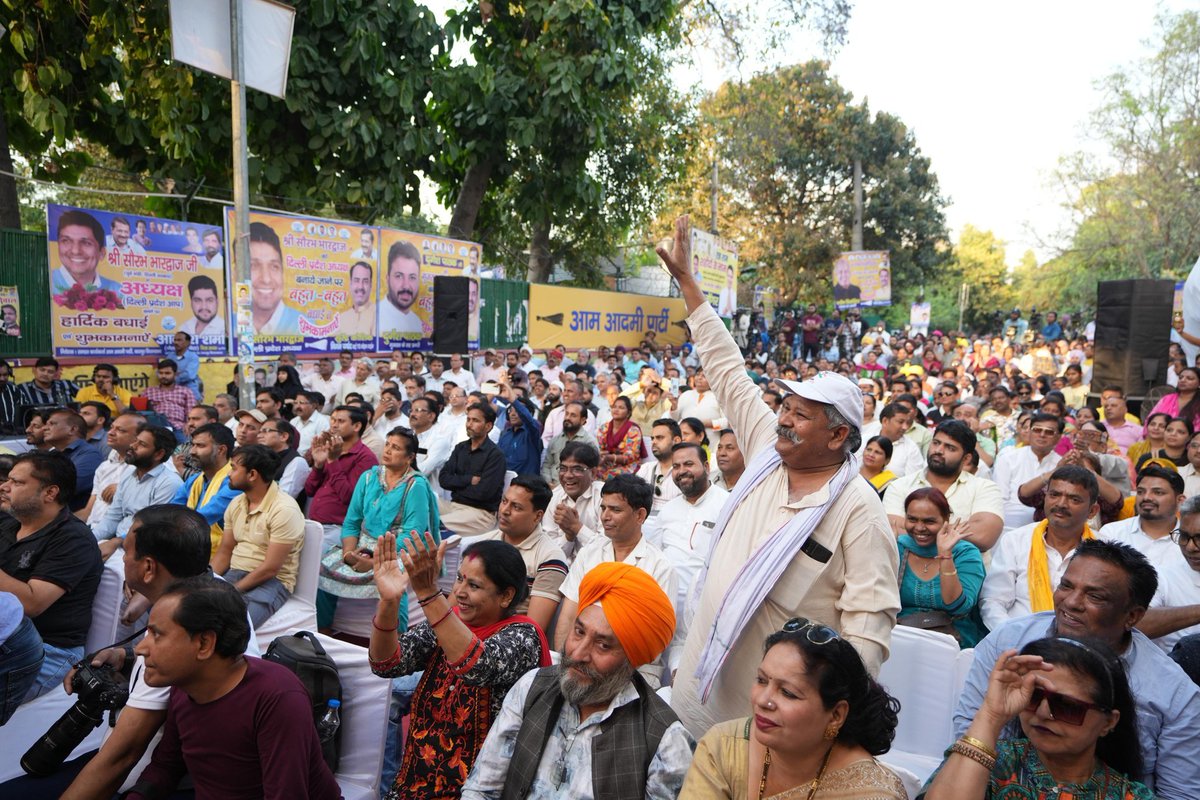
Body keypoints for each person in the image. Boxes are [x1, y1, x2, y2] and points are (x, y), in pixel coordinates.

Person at [656, 216, 899, 738]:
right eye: (785, 406)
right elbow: (725, 368)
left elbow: (868, 627)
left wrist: (836, 720)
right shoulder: (768, 446)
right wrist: (688, 284)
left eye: (801, 414)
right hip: (698, 684)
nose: (784, 418)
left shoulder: (859, 510)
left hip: (773, 720)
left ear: (838, 437)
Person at [955, 539, 1200, 799]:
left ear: (1132, 616)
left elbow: (1179, 794)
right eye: (1066, 585)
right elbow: (967, 736)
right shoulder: (1007, 644)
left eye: (1095, 596)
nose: (1071, 602)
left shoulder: (1176, 694)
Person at [56, 505, 261, 799]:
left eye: (126, 551)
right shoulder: (209, 594)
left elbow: (121, 757)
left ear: (149, 568)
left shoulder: (188, 626)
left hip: (154, 783)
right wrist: (125, 656)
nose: (123, 559)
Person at [461, 562, 692, 800]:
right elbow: (481, 790)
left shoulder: (666, 741)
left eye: (603, 645)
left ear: (632, 658)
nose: (578, 654)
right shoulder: (532, 687)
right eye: (579, 632)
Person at [369, 533, 551, 800]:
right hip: (413, 786)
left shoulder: (523, 636)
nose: (459, 592)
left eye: (474, 586)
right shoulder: (449, 620)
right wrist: (389, 601)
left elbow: (476, 665)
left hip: (476, 792)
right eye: (459, 578)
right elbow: (387, 664)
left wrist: (429, 594)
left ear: (506, 596)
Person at [124, 577, 340, 800]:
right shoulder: (184, 686)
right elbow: (165, 767)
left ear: (204, 644)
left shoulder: (278, 697)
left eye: (157, 635)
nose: (141, 648)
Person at [681, 619, 906, 800]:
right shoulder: (724, 747)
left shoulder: (870, 792)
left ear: (836, 715)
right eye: (761, 680)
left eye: (787, 693)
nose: (763, 700)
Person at [925, 637, 1154, 800]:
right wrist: (991, 714)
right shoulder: (992, 763)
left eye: (1067, 706)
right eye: (1033, 697)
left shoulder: (1129, 795)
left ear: (1108, 722)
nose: (1043, 713)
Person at [553, 474, 678, 687]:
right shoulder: (589, 554)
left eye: (615, 510)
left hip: (632, 674)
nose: (605, 517)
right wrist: (563, 664)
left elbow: (653, 640)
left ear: (640, 515)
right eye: (603, 508)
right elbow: (568, 617)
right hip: (579, 663)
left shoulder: (659, 567)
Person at [0, 452, 102, 699]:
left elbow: (32, 603)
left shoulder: (72, 539)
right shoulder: (9, 525)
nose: (4, 486)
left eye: (17, 482)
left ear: (50, 493)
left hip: (46, 650)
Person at [317, 426, 439, 632]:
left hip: (399, 547)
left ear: (409, 457)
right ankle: (324, 630)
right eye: (388, 445)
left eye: (396, 448)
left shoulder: (414, 485)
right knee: (324, 567)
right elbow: (352, 521)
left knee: (393, 582)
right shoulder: (369, 477)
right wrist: (348, 553)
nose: (388, 450)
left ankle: (397, 641)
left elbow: (412, 534)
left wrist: (375, 562)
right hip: (365, 542)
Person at [981, 466, 1099, 631]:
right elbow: (993, 602)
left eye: (1074, 499)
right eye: (1054, 495)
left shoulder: (1104, 550)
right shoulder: (1015, 541)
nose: (1061, 504)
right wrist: (1013, 637)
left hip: (1079, 645)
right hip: (1018, 643)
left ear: (1092, 511)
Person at [211, 445, 305, 626]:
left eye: (234, 468)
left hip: (273, 582)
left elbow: (270, 568)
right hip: (235, 573)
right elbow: (225, 552)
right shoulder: (236, 504)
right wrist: (207, 581)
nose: (228, 474)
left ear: (252, 475)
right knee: (193, 610)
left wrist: (231, 591)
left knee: (232, 628)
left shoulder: (284, 509)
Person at [882, 419, 1005, 551]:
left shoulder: (985, 488)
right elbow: (892, 529)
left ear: (966, 459)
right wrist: (954, 532)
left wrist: (918, 531)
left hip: (962, 569)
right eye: (936, 443)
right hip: (907, 569)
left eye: (950, 448)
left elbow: (983, 536)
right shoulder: (900, 486)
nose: (939, 450)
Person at [658, 442, 729, 663]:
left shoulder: (726, 504)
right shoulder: (667, 510)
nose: (681, 471)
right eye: (676, 466)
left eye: (689, 464)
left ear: (707, 467)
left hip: (704, 611)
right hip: (664, 606)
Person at [475, 476, 568, 633]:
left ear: (537, 516)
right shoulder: (483, 544)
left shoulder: (550, 557)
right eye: (504, 501)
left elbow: (531, 631)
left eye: (516, 507)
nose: (504, 511)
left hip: (508, 640)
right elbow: (455, 605)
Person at [897, 487, 986, 646]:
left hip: (951, 637)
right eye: (912, 519)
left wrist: (945, 554)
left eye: (929, 521)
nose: (919, 528)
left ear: (946, 520)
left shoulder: (966, 554)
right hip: (900, 633)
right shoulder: (898, 548)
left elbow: (958, 607)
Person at [92, 426, 183, 559]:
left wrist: (116, 542)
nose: (133, 446)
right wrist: (90, 539)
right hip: (117, 543)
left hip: (142, 550)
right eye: (135, 441)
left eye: (142, 444)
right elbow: (113, 516)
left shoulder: (169, 483)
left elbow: (151, 527)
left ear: (159, 454)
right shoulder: (129, 473)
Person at [305, 405, 379, 549]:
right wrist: (318, 465)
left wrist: (333, 461)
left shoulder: (365, 457)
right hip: (313, 524)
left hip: (338, 529)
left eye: (340, 421)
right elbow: (309, 490)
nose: (334, 425)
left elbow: (349, 497)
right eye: (332, 420)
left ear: (357, 426)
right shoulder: (330, 448)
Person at [170, 423, 240, 558]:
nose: (192, 451)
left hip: (222, 559)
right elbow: (172, 511)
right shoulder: (194, 480)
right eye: (193, 445)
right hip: (192, 551)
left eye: (200, 446)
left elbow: (202, 518)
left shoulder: (234, 482)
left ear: (221, 450)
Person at [1098, 464, 1185, 571]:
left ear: (1180, 500)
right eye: (1140, 492)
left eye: (1158, 492)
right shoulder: (1113, 533)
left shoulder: (1191, 539)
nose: (1146, 497)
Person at [439, 402, 507, 536]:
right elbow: (443, 479)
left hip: (480, 514)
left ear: (488, 426)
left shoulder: (495, 455)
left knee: (434, 523)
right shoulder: (460, 448)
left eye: (475, 420)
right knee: (422, 507)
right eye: (468, 419)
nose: (469, 424)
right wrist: (469, 480)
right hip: (454, 506)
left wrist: (456, 486)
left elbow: (483, 494)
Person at [993, 411, 1064, 531]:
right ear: (1030, 432)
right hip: (1007, 525)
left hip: (1048, 528)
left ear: (1058, 438)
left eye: (1049, 432)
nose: (1042, 435)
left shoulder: (1061, 464)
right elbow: (998, 499)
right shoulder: (1008, 458)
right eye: (1037, 430)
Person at [542, 441, 604, 560]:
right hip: (563, 571)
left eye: (577, 469)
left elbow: (607, 550)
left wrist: (576, 527)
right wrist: (569, 536)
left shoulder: (604, 498)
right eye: (563, 468)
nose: (568, 475)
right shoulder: (555, 497)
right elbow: (551, 554)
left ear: (594, 473)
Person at [80, 410, 142, 526]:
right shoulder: (104, 467)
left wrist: (124, 490)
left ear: (139, 438)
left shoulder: (147, 466)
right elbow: (88, 512)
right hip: (92, 530)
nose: (111, 433)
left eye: (121, 430)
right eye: (112, 427)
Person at [51, 209, 125, 300]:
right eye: (66, 241)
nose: (75, 251)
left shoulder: (117, 290)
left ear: (101, 253)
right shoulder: (48, 283)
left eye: (86, 243)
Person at [248, 221, 304, 334]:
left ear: (283, 272)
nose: (266, 279)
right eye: (253, 266)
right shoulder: (230, 326)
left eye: (274, 267)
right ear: (235, 272)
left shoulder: (303, 327)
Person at [43, 408, 104, 512]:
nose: (44, 428)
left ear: (72, 429)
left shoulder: (90, 455)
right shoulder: (51, 454)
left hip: (70, 519)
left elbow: (67, 488)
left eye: (52, 424)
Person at [378, 240, 424, 336]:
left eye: (412, 277)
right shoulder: (374, 317)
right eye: (399, 276)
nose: (406, 285)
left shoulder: (416, 323)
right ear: (387, 278)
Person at [258, 418, 310, 498]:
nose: (260, 435)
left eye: (266, 430)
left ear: (283, 436)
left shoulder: (297, 462)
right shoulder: (262, 458)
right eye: (260, 432)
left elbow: (284, 497)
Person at [597, 396, 643, 481]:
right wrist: (602, 455)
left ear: (628, 413)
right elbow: (600, 448)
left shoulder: (633, 430)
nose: (616, 410)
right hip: (606, 463)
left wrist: (610, 457)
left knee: (608, 475)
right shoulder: (604, 427)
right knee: (592, 472)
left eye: (621, 408)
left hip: (628, 465)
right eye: (614, 407)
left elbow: (630, 457)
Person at [141, 359, 194, 432]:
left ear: (175, 374)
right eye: (161, 373)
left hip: (178, 427)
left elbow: (191, 413)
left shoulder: (186, 391)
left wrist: (187, 425)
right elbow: (140, 413)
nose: (163, 376)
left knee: (184, 442)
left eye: (167, 373)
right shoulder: (148, 392)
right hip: (155, 427)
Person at [496, 395, 542, 475]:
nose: (512, 414)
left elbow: (530, 421)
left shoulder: (532, 433)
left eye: (517, 410)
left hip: (526, 484)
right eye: (510, 410)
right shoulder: (504, 434)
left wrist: (512, 399)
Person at [337, 260, 376, 336]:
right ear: (350, 283)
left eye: (365, 281)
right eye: (356, 281)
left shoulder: (379, 315)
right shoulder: (342, 318)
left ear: (371, 285)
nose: (360, 286)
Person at [1101, 386, 1143, 456]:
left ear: (1125, 410)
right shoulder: (1098, 427)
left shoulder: (1138, 430)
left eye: (1113, 406)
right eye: (1106, 406)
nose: (1108, 408)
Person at [290, 390, 330, 454]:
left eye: (301, 403)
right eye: (295, 403)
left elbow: (322, 446)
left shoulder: (322, 422)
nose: (297, 406)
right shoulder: (293, 421)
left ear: (313, 405)